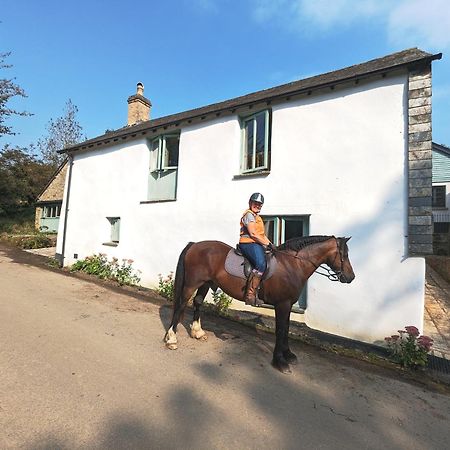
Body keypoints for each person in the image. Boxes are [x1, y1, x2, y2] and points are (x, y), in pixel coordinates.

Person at [239, 193, 273, 306]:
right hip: (248, 243)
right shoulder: (249, 215)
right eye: (255, 203)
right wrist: (266, 244)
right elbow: (253, 234)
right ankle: (250, 295)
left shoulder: (257, 218)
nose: (257, 206)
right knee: (261, 264)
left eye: (259, 204)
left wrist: (272, 245)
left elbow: (262, 235)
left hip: (256, 243)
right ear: (250, 203)